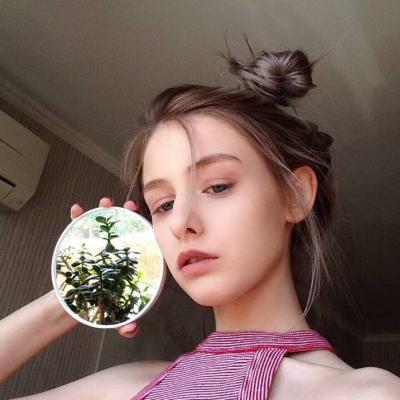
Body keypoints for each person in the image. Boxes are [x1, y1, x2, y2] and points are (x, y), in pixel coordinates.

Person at [1, 47, 400, 399]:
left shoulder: (371, 394)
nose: (180, 222)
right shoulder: (129, 386)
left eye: (218, 186)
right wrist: (77, 295)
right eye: (164, 204)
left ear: (294, 195)